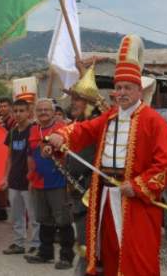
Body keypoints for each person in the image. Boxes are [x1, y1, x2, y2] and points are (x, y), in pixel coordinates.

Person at [47, 35, 167, 276]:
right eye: (118, 88)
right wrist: (61, 136)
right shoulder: (109, 117)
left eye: (128, 87)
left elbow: (166, 162)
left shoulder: (155, 122)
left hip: (135, 200)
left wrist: (138, 186)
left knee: (138, 257)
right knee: (109, 253)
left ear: (139, 90)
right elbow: (84, 130)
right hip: (106, 196)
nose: (122, 92)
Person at [61, 65, 107, 276]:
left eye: (79, 99)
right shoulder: (75, 125)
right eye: (74, 98)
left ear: (90, 104)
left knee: (91, 249)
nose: (74, 102)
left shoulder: (96, 127)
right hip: (78, 194)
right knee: (84, 246)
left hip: (94, 195)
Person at [24, 99, 73, 269]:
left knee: (63, 220)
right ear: (35, 112)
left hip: (57, 181)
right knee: (44, 219)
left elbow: (67, 152)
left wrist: (53, 150)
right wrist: (30, 176)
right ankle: (46, 253)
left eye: (47, 110)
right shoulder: (32, 130)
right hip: (38, 182)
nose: (43, 112)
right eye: (40, 110)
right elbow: (30, 154)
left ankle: (66, 256)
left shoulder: (62, 129)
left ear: (53, 112)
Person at [0, 99, 39, 255]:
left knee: (34, 216)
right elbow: (9, 157)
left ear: (28, 112)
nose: (18, 114)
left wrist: (34, 177)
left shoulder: (34, 130)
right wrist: (5, 177)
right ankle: (18, 243)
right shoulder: (12, 132)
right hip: (14, 180)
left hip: (29, 181)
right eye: (15, 111)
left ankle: (37, 244)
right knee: (17, 216)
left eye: (21, 111)